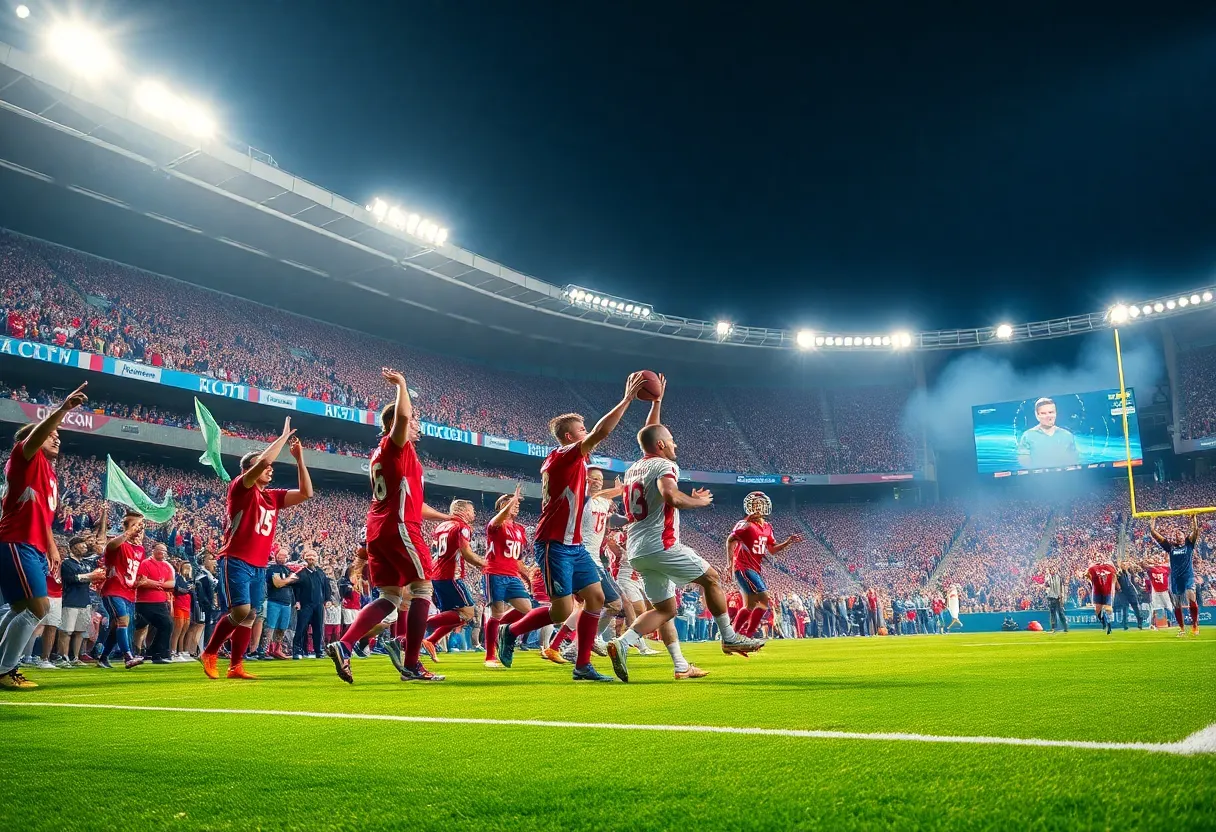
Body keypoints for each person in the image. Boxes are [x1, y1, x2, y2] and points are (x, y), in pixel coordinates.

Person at [606, 383, 765, 682]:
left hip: (638, 550)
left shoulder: (633, 469)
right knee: (712, 578)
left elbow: (650, 435)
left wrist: (657, 402)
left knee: (666, 608)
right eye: (672, 441)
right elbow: (671, 496)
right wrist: (699, 501)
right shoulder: (665, 465)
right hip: (661, 544)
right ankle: (729, 636)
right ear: (663, 446)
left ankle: (623, 644)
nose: (675, 445)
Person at [497, 372, 650, 682]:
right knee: (561, 612)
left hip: (575, 545)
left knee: (596, 599)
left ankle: (582, 666)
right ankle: (510, 631)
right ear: (569, 437)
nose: (586, 433)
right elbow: (601, 432)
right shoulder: (564, 456)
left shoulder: (573, 462)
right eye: (581, 430)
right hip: (554, 543)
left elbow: (592, 489)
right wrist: (627, 400)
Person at [327, 369, 452, 684]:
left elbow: (415, 503)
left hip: (380, 528)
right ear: (401, 422)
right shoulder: (395, 445)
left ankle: (344, 645)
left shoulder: (386, 456)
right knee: (423, 587)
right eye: (413, 420)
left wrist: (446, 517)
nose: (417, 426)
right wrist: (403, 386)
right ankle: (412, 664)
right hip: (398, 527)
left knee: (391, 596)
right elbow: (402, 416)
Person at [201, 418, 314, 680]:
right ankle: (210, 652)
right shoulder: (241, 487)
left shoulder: (272, 496)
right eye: (266, 467)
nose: (270, 470)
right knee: (240, 611)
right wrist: (284, 437)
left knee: (251, 615)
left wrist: (299, 460)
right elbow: (263, 461)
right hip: (237, 558)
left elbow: (307, 493)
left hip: (259, 564)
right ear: (249, 470)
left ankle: (236, 666)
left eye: (272, 468)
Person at [0, 383, 87, 689]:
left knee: (20, 609)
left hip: (34, 546)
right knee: (40, 608)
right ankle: (6, 669)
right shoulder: (24, 458)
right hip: (16, 542)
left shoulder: (49, 473)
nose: (57, 437)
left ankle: (2, 666)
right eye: (52, 435)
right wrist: (63, 410)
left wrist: (51, 546)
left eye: (58, 435)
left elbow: (44, 518)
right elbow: (37, 435)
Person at [549, 469, 625, 660]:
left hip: (595, 559)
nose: (598, 482)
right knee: (614, 604)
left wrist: (630, 518)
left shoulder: (604, 501)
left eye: (600, 479)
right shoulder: (580, 497)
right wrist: (617, 490)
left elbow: (610, 519)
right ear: (586, 479)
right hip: (583, 556)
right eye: (593, 478)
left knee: (586, 607)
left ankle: (558, 646)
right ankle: (586, 641)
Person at [483, 487, 550, 667]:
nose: (517, 506)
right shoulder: (495, 524)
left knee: (527, 609)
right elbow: (498, 520)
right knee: (496, 612)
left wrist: (527, 576)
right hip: (495, 573)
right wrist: (510, 502)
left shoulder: (519, 529)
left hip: (512, 575)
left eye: (518, 503)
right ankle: (490, 656)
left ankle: (500, 629)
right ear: (503, 506)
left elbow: (518, 559)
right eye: (514, 503)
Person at [725, 491, 803, 638]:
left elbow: (772, 550)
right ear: (749, 507)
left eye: (760, 505)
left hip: (755, 568)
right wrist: (729, 564)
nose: (757, 508)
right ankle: (746, 635)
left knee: (750, 605)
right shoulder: (745, 524)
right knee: (764, 600)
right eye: (754, 505)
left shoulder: (767, 527)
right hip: (743, 566)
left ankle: (733, 637)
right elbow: (730, 540)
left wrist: (788, 541)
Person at [422, 500, 486, 662]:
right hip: (451, 576)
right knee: (467, 613)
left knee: (454, 615)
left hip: (437, 574)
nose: (474, 513)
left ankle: (431, 641)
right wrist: (485, 564)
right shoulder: (461, 527)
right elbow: (466, 553)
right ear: (461, 511)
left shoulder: (441, 527)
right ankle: (419, 624)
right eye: (471, 510)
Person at [1149, 516, 1201, 637]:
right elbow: (1154, 534)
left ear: (1184, 536)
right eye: (1176, 534)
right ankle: (1182, 629)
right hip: (1175, 578)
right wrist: (1153, 521)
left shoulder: (1189, 544)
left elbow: (1196, 530)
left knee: (1191, 596)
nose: (1178, 535)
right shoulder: (1170, 547)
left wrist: (1193, 519)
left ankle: (1195, 625)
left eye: (1180, 534)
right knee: (1177, 604)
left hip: (1187, 576)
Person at [56, 536, 104, 666]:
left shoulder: (85, 564)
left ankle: (75, 658)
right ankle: (63, 657)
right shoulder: (67, 563)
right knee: (66, 630)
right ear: (73, 547)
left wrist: (94, 577)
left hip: (85, 600)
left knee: (80, 632)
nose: (84, 547)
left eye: (84, 545)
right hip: (70, 600)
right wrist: (91, 576)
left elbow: (88, 579)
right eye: (81, 545)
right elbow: (71, 578)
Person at [134, 543, 176, 664]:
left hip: (160, 601)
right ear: (154, 550)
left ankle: (156, 652)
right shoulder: (145, 563)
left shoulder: (167, 566)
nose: (162, 552)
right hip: (145, 602)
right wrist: (161, 584)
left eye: (164, 550)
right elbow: (142, 581)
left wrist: (156, 584)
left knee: (167, 624)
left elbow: (172, 584)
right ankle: (155, 653)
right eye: (160, 550)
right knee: (139, 626)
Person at [1016, 397, 1079, 469]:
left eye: (1051, 412)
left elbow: (1074, 462)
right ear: (1037, 415)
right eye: (1043, 413)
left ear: (1056, 413)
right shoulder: (1027, 436)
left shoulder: (1067, 435)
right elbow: (1024, 463)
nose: (1048, 416)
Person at [291, 550, 327, 659]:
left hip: (319, 605)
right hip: (305, 604)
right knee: (301, 628)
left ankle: (318, 651)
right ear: (304, 558)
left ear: (317, 558)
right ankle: (297, 651)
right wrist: (296, 601)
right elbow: (295, 588)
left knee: (318, 629)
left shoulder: (320, 572)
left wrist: (327, 599)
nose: (311, 557)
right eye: (308, 555)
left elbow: (326, 587)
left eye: (313, 555)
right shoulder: (300, 572)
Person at [264, 547, 299, 659]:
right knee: (270, 626)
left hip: (286, 602)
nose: (282, 557)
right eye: (281, 555)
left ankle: (277, 649)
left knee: (282, 627)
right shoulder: (271, 568)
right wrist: (288, 580)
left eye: (285, 555)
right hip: (273, 600)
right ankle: (266, 649)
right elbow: (277, 584)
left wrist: (284, 581)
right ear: (276, 555)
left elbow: (296, 579)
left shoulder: (287, 569)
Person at [1086, 557, 1117, 635]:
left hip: (1107, 592)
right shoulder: (1093, 568)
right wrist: (1091, 580)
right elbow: (1087, 574)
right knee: (1097, 611)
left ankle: (1109, 626)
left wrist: (1113, 584)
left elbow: (1114, 575)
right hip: (1097, 592)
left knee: (1108, 609)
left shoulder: (1108, 567)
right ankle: (1103, 621)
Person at [1144, 556, 1172, 631]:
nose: (1156, 561)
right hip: (1155, 590)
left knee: (1169, 607)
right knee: (1155, 608)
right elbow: (1145, 565)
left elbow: (1169, 565)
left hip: (1164, 590)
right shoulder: (1151, 569)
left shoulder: (1164, 568)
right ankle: (1152, 624)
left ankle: (1171, 621)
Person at [1043, 568, 1067, 634]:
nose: (1052, 571)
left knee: (1060, 613)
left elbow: (1062, 586)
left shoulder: (1058, 577)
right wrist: (1047, 592)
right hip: (1051, 597)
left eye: (1053, 569)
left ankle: (1065, 627)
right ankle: (1053, 628)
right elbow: (1046, 586)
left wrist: (1062, 595)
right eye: (1051, 570)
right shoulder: (1048, 577)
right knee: (1052, 613)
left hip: (1058, 597)